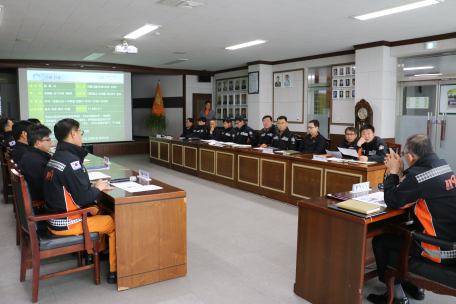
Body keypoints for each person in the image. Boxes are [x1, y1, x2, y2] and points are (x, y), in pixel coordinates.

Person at [367, 134, 456, 304]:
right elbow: (420, 188)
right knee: (405, 227)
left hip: (437, 249)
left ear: (410, 156)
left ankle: (396, 295)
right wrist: (402, 173)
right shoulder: (444, 166)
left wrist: (393, 173)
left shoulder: (417, 176)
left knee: (381, 240)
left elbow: (393, 201)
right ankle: (415, 286)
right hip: (451, 242)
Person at [43, 119, 117, 284]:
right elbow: (83, 198)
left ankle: (94, 254)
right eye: (80, 133)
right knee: (113, 222)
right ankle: (115, 271)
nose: (81, 136)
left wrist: (93, 187)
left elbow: (70, 189)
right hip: (67, 222)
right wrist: (97, 188)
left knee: (100, 210)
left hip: (53, 217)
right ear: (73, 134)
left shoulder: (57, 157)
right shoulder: (72, 162)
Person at [18, 124, 52, 203]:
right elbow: (45, 192)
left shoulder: (31, 155)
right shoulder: (36, 163)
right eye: (48, 140)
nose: (50, 143)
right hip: (39, 206)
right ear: (38, 143)